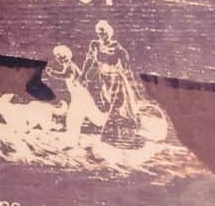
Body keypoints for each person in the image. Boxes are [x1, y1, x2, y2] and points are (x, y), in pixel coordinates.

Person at [80, 20, 143, 148]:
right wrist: (83, 75)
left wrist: (134, 87)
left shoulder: (118, 48)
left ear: (110, 32)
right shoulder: (95, 45)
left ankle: (106, 137)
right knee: (111, 108)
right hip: (104, 81)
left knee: (116, 107)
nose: (102, 35)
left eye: (104, 32)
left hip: (117, 81)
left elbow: (127, 69)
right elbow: (89, 60)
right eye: (99, 32)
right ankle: (121, 133)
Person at [43, 44, 106, 147]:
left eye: (59, 55)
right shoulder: (68, 65)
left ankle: (72, 142)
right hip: (79, 96)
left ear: (65, 56)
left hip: (80, 97)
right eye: (57, 56)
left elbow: (67, 75)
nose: (57, 58)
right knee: (88, 118)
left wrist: (52, 73)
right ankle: (72, 142)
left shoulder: (70, 66)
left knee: (84, 118)